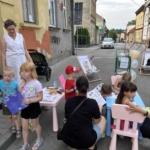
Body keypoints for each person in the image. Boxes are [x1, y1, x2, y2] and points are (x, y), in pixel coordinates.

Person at [62, 76, 106, 150]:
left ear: (76, 87)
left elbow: (66, 118)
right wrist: (100, 112)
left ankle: (73, 147)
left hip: (69, 140)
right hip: (86, 140)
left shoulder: (69, 101)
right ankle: (91, 146)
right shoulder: (92, 103)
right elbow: (97, 121)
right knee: (103, 120)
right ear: (88, 88)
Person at [19, 62, 43, 150]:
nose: (23, 73)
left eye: (26, 71)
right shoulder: (22, 83)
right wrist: (20, 87)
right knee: (24, 126)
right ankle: (25, 143)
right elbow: (18, 95)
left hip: (33, 106)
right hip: (24, 106)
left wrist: (30, 100)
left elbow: (40, 97)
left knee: (35, 124)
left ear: (32, 72)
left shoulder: (36, 83)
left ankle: (39, 138)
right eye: (21, 71)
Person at [1, 19, 32, 83]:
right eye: (9, 29)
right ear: (6, 29)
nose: (12, 31)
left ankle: (25, 90)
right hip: (11, 61)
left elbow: (25, 49)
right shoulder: (4, 38)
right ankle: (16, 91)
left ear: (15, 27)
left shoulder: (20, 36)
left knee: (24, 74)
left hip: (22, 59)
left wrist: (30, 60)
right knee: (15, 76)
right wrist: (4, 66)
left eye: (13, 29)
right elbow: (3, 53)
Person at [0, 66, 21, 138]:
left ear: (13, 76)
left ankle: (18, 129)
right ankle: (12, 126)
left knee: (15, 116)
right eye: (5, 75)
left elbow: (19, 92)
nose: (6, 77)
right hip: (5, 103)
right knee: (9, 116)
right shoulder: (0, 83)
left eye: (9, 76)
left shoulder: (15, 83)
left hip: (14, 102)